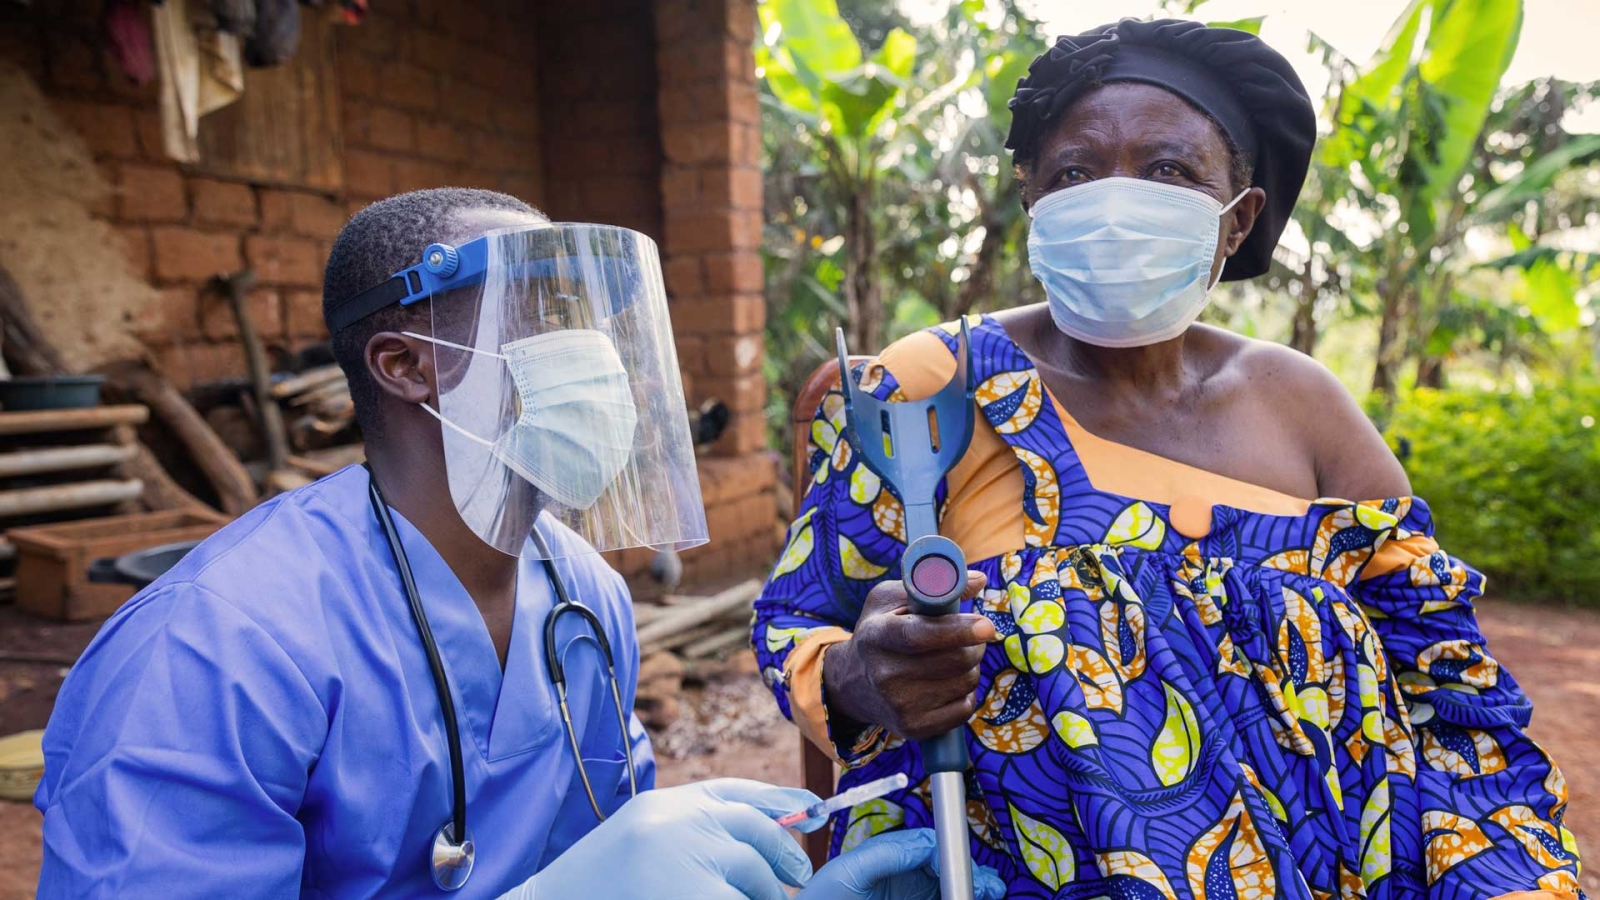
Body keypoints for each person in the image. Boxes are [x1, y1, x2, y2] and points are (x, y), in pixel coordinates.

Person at [754, 20, 1585, 900]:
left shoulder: (1307, 408)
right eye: (1075, 173)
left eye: (1168, 171)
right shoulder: (933, 389)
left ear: (1239, 219)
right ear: (1033, 200)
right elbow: (796, 624)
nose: (1116, 205)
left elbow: (1449, 688)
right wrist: (861, 677)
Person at [34, 188, 1005, 900]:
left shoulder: (581, 592)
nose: (592, 353)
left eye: (586, 315)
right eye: (540, 313)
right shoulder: (211, 649)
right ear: (406, 365)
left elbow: (621, 861)